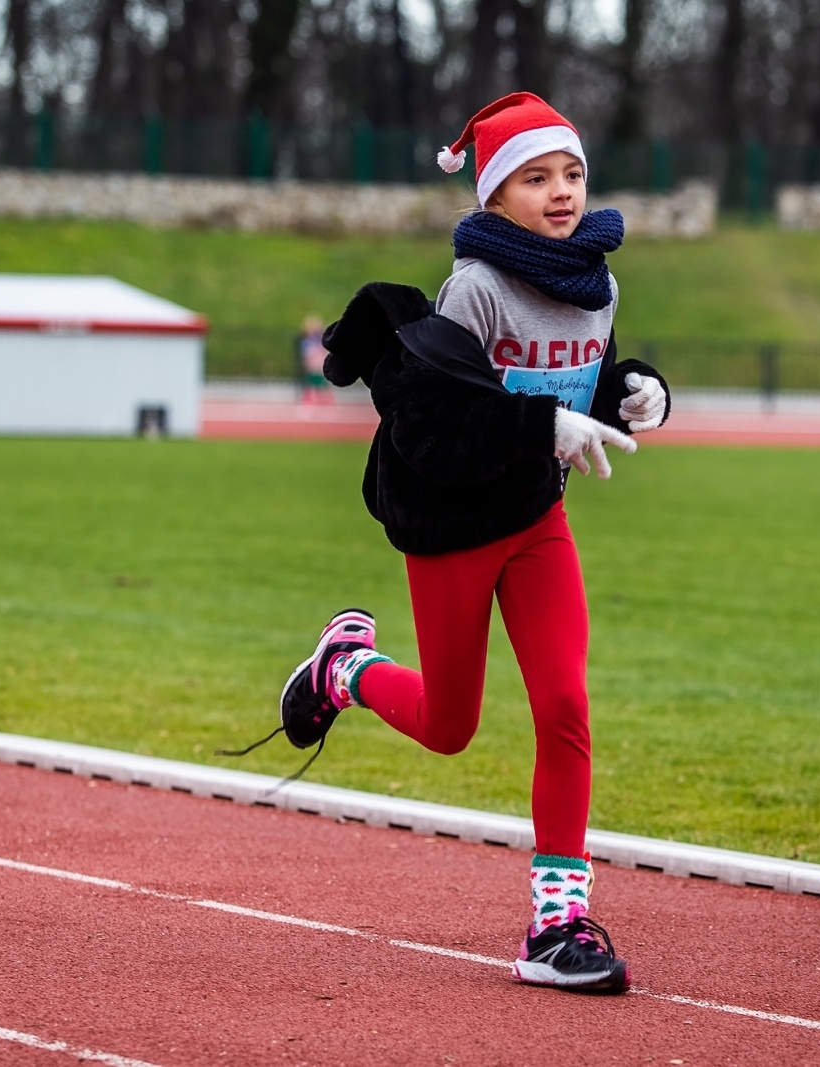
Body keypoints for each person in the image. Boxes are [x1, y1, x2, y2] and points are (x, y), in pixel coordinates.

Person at [261, 93, 670, 993]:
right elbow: (432, 421)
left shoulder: (598, 284)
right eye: (535, 177)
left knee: (565, 703)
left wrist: (638, 390)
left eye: (572, 173)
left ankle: (556, 924)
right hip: (450, 523)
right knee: (451, 727)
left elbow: (579, 386)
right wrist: (541, 427)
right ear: (493, 197)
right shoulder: (476, 289)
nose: (561, 192)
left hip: (536, 521)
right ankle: (345, 671)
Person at [296, 315, 331, 404]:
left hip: (319, 365)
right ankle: (310, 401)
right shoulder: (307, 340)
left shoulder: (321, 339)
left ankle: (325, 401)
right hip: (312, 365)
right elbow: (306, 353)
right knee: (310, 384)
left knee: (322, 385)